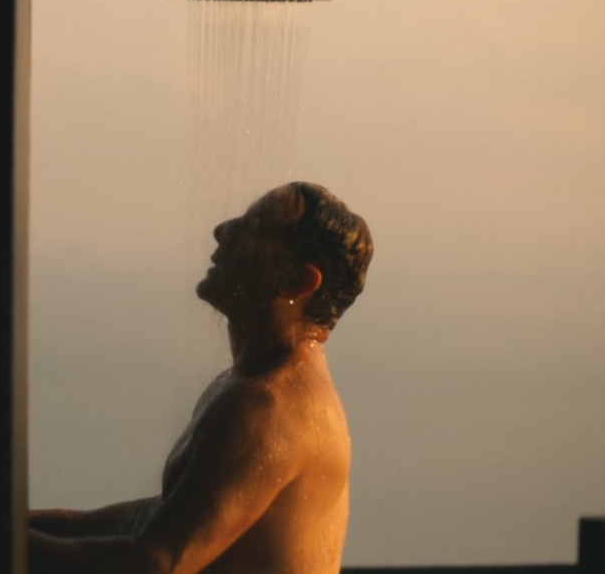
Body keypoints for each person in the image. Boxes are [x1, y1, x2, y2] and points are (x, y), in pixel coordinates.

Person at [28, 181, 374, 574]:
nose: (223, 230)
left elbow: (158, 563)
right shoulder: (243, 386)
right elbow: (166, 516)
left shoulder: (269, 407)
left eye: (254, 226)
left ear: (296, 281)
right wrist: (19, 523)